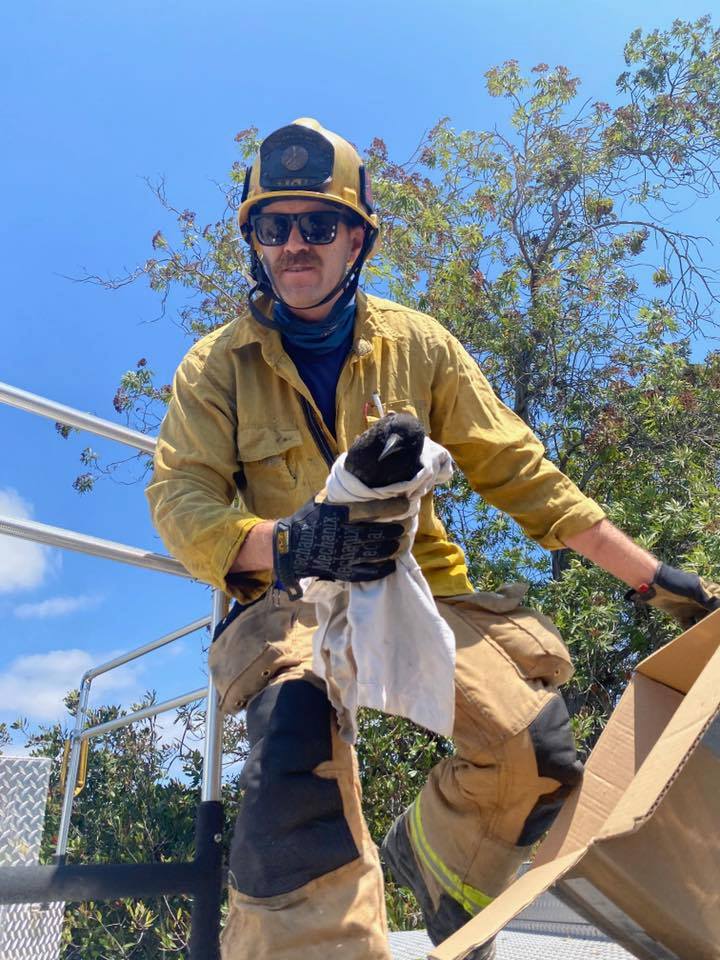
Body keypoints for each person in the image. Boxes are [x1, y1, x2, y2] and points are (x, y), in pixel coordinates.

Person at [146, 118, 720, 960]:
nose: (295, 245)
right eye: (274, 227)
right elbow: (179, 498)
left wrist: (653, 578)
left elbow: (519, 470)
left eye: (319, 224)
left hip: (422, 590)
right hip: (288, 603)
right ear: (254, 241)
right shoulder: (214, 367)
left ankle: (445, 871)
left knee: (538, 754)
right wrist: (296, 543)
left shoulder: (418, 343)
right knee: (292, 770)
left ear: (358, 240)